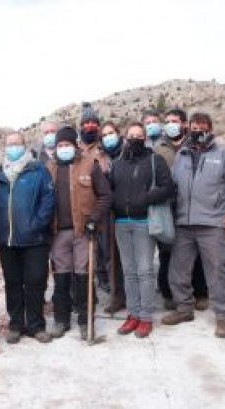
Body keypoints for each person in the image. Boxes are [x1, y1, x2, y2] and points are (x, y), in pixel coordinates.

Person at [162, 112, 225, 338]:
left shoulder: (224, 154)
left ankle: (223, 316)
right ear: (188, 128)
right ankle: (184, 309)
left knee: (216, 271)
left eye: (202, 127)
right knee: (177, 270)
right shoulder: (182, 155)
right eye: (194, 127)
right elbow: (173, 185)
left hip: (213, 223)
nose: (198, 130)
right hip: (184, 224)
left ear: (210, 129)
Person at [46, 126, 112, 339]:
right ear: (56, 148)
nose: (64, 148)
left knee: (83, 276)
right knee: (61, 278)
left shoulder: (89, 165)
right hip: (58, 233)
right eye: (60, 145)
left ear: (75, 145)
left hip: (83, 231)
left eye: (67, 144)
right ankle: (61, 320)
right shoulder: (49, 169)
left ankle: (86, 321)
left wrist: (93, 219)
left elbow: (105, 196)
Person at [110, 121, 175, 338]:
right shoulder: (118, 164)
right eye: (131, 135)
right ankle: (133, 314)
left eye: (139, 136)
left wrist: (145, 199)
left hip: (144, 222)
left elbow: (168, 187)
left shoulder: (155, 160)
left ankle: (146, 317)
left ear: (145, 138)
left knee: (145, 271)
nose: (135, 139)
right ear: (125, 138)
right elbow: (110, 191)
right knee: (129, 272)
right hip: (121, 223)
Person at [0, 132, 55, 344]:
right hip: (7, 241)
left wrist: (36, 224)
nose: (13, 148)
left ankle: (37, 325)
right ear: (4, 148)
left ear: (25, 145)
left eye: (17, 144)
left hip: (35, 239)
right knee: (13, 283)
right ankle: (16, 324)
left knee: (35, 282)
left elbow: (48, 201)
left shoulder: (38, 169)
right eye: (9, 144)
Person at [157, 109, 209, 311]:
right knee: (166, 253)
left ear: (184, 124)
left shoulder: (196, 143)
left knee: (197, 253)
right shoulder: (158, 147)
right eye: (167, 121)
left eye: (175, 121)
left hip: (192, 206)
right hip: (167, 206)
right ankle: (168, 294)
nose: (171, 124)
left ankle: (201, 293)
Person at [77, 102, 111, 293]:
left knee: (106, 247)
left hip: (104, 206)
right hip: (83, 207)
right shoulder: (76, 149)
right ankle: (89, 288)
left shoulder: (105, 147)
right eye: (86, 122)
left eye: (93, 122)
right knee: (87, 251)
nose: (89, 126)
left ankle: (107, 281)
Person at [98, 121, 127, 313]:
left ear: (118, 133)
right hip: (107, 214)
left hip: (127, 211)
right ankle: (117, 297)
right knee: (110, 256)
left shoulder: (128, 152)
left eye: (111, 133)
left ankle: (135, 296)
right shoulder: (99, 158)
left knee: (130, 257)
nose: (108, 137)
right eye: (105, 135)